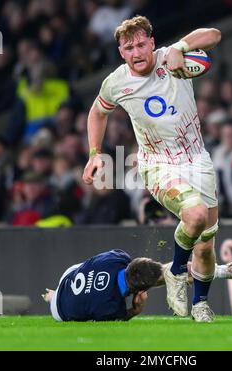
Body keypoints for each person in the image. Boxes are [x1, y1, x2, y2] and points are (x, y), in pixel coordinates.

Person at [82, 16, 223, 322]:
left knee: (206, 245)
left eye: (141, 44)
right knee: (195, 215)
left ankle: (200, 303)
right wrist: (95, 153)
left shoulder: (172, 57)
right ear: (121, 51)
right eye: (128, 47)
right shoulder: (117, 83)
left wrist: (182, 46)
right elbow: (96, 113)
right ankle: (174, 272)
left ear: (152, 43)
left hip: (197, 160)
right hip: (158, 163)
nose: (136, 52)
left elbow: (213, 34)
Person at [42, 249, 232, 322]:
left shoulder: (116, 259)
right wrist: (136, 310)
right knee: (169, 273)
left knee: (171, 272)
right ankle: (222, 271)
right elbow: (118, 316)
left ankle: (223, 271)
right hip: (59, 309)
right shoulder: (110, 307)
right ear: (140, 292)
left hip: (69, 275)